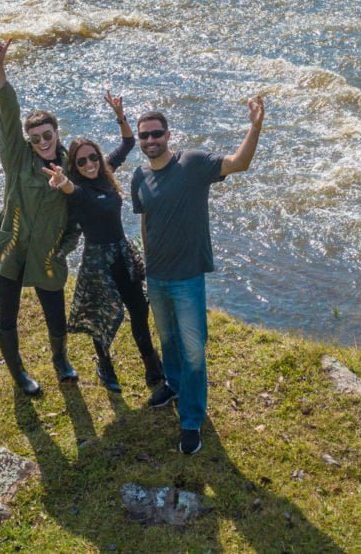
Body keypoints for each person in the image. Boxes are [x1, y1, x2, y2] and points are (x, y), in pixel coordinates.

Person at [131, 97, 265, 455]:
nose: (150, 140)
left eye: (156, 133)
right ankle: (173, 385)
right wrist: (147, 264)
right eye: (144, 136)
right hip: (157, 277)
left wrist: (254, 127)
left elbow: (240, 163)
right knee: (169, 342)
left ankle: (191, 419)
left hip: (188, 277)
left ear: (168, 134)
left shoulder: (191, 163)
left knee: (193, 352)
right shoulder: (139, 175)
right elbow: (146, 219)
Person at [43, 92, 163, 394]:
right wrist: (64, 182)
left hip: (122, 253)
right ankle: (104, 363)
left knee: (139, 308)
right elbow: (73, 190)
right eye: (81, 161)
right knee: (101, 314)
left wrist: (120, 115)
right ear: (74, 164)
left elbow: (128, 144)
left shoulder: (105, 171)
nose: (89, 163)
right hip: (98, 261)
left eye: (93, 157)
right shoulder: (78, 189)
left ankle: (151, 362)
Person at [0, 38, 80, 396]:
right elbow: (8, 113)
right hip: (10, 247)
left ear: (57, 133)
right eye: (35, 137)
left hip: (47, 254)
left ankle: (60, 360)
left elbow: (78, 218)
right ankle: (20, 374)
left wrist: (63, 248)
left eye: (47, 135)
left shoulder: (72, 166)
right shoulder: (17, 158)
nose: (42, 141)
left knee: (56, 313)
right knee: (7, 316)